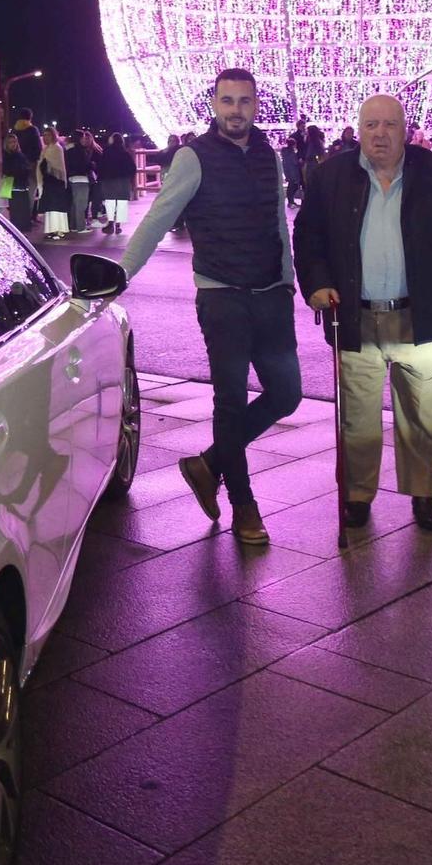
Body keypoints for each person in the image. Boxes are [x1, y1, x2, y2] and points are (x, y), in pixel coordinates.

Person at [121, 69, 299, 545]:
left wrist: (288, 279)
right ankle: (244, 506)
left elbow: (278, 220)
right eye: (227, 101)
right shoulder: (193, 157)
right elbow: (159, 219)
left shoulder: (268, 154)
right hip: (222, 295)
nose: (235, 110)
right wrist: (121, 275)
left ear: (257, 104)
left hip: (270, 293)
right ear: (214, 105)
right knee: (231, 401)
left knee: (287, 393)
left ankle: (209, 464)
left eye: (244, 101)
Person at [296, 93, 432, 532]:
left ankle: (423, 493)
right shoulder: (331, 176)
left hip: (423, 314)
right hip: (356, 316)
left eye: (389, 125)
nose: (380, 134)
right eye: (371, 125)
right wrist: (317, 284)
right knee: (357, 419)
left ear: (404, 129)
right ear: (358, 130)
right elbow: (308, 236)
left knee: (421, 416)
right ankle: (357, 495)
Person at [98, 131, 136, 234]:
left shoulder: (107, 151)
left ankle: (110, 223)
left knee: (110, 202)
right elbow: (132, 168)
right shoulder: (125, 153)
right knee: (121, 202)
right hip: (123, 181)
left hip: (109, 180)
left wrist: (101, 177)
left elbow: (100, 166)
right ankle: (118, 225)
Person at [38, 128, 71, 241]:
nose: (46, 137)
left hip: (57, 181)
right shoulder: (46, 149)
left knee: (57, 207)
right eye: (44, 135)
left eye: (48, 135)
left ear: (53, 136)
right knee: (50, 207)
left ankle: (59, 230)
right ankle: (51, 229)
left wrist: (46, 165)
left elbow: (58, 167)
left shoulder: (57, 148)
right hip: (48, 181)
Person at [65, 130, 97, 234]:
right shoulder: (80, 150)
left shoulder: (68, 149)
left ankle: (73, 225)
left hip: (71, 178)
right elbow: (84, 165)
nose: (84, 139)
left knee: (74, 203)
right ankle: (81, 227)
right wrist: (92, 164)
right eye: (83, 137)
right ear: (79, 138)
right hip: (81, 178)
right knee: (81, 204)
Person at [279, 131, 303, 209]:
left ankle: (291, 201)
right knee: (293, 186)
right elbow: (295, 162)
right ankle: (291, 202)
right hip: (293, 172)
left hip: (288, 172)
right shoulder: (291, 153)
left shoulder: (285, 153)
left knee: (291, 187)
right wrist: (299, 161)